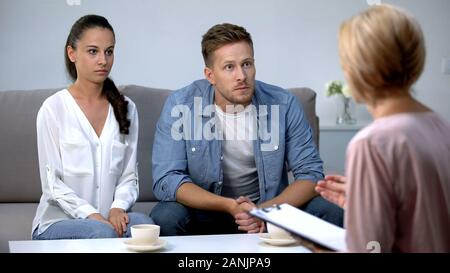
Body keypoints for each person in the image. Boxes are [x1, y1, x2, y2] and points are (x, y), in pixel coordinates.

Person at [151, 23, 343, 236]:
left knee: (329, 212)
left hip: (269, 209)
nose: (241, 75)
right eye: (229, 67)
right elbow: (167, 179)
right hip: (205, 212)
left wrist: (264, 212)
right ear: (210, 75)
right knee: (165, 217)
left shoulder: (284, 104)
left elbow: (311, 174)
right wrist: (229, 205)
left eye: (247, 64)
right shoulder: (181, 105)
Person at [315, 4, 450, 252]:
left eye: (346, 62)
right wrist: (364, 205)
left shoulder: (371, 143)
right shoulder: (440, 125)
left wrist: (316, 248)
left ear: (361, 68)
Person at [32, 15, 153, 240]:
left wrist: (118, 207)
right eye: (92, 51)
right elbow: (52, 185)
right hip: (59, 221)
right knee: (101, 233)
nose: (103, 60)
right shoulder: (53, 109)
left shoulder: (127, 108)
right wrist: (91, 215)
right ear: (72, 54)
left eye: (109, 51)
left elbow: (129, 175)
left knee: (146, 227)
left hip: (109, 217)